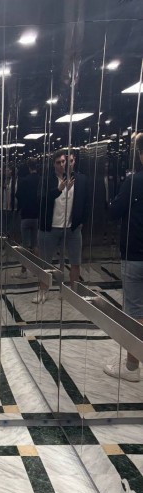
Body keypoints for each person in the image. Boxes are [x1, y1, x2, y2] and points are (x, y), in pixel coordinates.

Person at [104, 133, 143, 382]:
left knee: (135, 310)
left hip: (136, 254)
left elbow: (114, 211)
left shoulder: (134, 181)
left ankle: (131, 367)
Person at [33, 149, 89, 303]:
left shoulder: (81, 180)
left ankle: (72, 292)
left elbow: (86, 202)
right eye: (58, 162)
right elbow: (40, 200)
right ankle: (43, 291)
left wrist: (81, 221)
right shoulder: (46, 179)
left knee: (75, 261)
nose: (62, 165)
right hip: (50, 227)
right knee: (45, 263)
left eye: (65, 161)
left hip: (72, 228)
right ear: (54, 164)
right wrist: (58, 190)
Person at [14, 157, 40, 278]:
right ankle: (36, 271)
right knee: (35, 244)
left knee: (25, 245)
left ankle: (24, 271)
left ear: (28, 167)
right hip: (37, 215)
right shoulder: (40, 179)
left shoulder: (24, 180)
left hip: (25, 214)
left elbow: (18, 195)